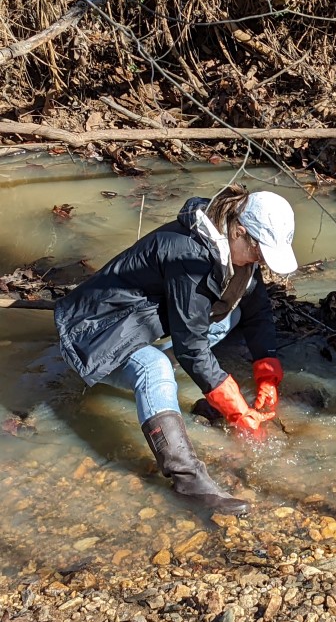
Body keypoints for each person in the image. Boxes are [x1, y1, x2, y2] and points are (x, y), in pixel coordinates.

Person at [55, 184, 298, 516]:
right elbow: (191, 346)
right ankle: (188, 481)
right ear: (240, 231)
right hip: (95, 336)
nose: (260, 260)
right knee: (153, 366)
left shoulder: (233, 248)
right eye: (259, 252)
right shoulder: (190, 257)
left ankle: (184, 400)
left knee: (233, 315)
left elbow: (257, 311)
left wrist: (267, 375)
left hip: (140, 325)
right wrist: (237, 410)